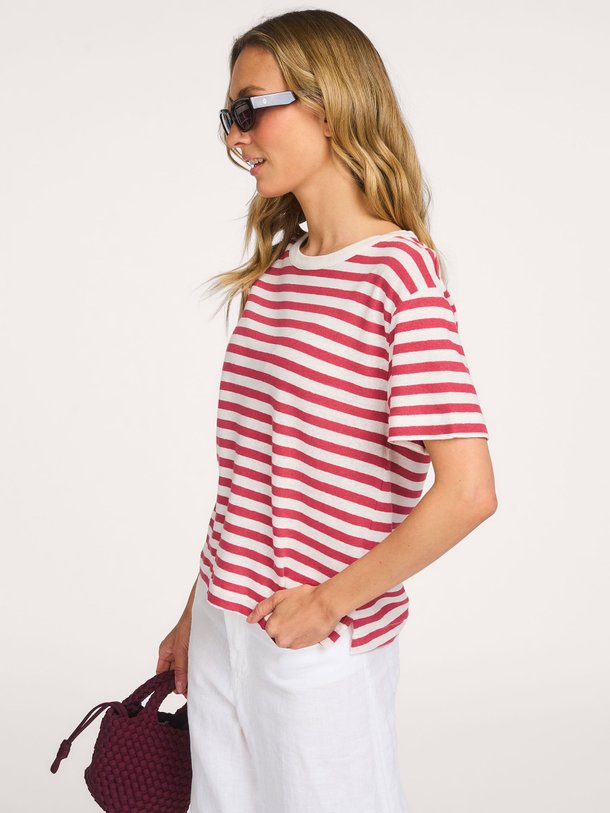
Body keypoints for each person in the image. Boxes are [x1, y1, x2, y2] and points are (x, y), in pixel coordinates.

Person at [156, 9, 497, 813]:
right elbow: (249, 474)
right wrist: (193, 611)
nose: (236, 136)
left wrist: (327, 603)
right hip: (225, 625)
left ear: (331, 105)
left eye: (250, 109)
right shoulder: (277, 276)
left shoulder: (399, 277)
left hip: (317, 639)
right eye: (228, 116)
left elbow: (469, 491)